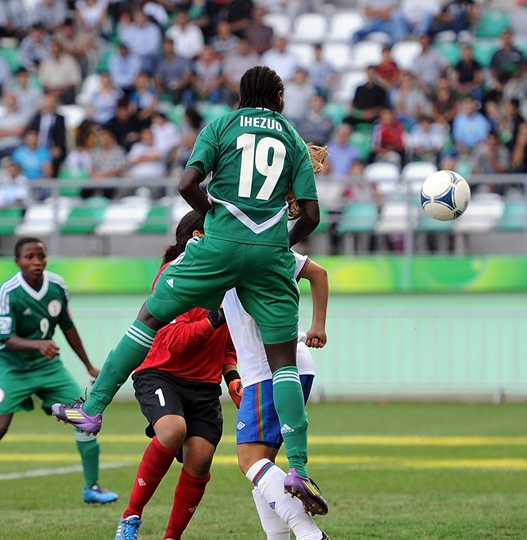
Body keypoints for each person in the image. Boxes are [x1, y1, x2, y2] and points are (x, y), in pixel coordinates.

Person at [52, 66, 329, 515]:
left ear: (241, 95)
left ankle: (93, 406)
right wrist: (274, 246)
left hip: (217, 247)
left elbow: (186, 185)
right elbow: (311, 216)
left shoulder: (220, 126)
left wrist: (218, 221)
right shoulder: (294, 139)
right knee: (284, 365)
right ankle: (297, 467)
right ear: (278, 97)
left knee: (149, 317)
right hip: (269, 253)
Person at [0, 238, 118, 510]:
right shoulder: (9, 291)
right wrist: (38, 344)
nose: (36, 262)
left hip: (47, 367)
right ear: (17, 261)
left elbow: (68, 326)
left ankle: (92, 488)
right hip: (12, 367)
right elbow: (6, 337)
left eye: (41, 256)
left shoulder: (57, 286)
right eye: (29, 257)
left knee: (86, 415)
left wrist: (88, 365)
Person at [114, 212, 241, 540]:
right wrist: (215, 319)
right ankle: (130, 517)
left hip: (205, 386)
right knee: (172, 430)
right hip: (160, 373)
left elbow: (227, 343)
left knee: (200, 459)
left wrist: (233, 377)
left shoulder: (227, 277)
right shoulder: (174, 274)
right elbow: (172, 339)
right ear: (199, 235)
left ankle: (172, 537)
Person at [228, 248, 330, 540]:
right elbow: (319, 273)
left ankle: (310, 534)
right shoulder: (268, 245)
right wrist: (318, 327)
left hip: (267, 369)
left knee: (250, 460)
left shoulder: (222, 253)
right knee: (264, 468)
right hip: (298, 361)